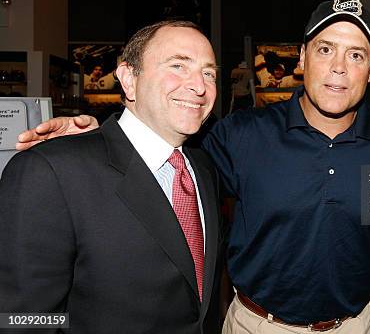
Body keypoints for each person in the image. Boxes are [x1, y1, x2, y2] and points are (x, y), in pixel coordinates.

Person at [16, 0, 370, 334]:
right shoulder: (244, 135)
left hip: (354, 324)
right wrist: (96, 137)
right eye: (325, 49)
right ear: (302, 58)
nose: (339, 66)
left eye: (356, 55)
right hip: (256, 325)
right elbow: (162, 143)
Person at [1, 20, 223, 333]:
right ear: (128, 79)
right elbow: (20, 320)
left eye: (209, 72)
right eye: (178, 65)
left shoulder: (202, 167)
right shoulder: (51, 171)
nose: (199, 86)